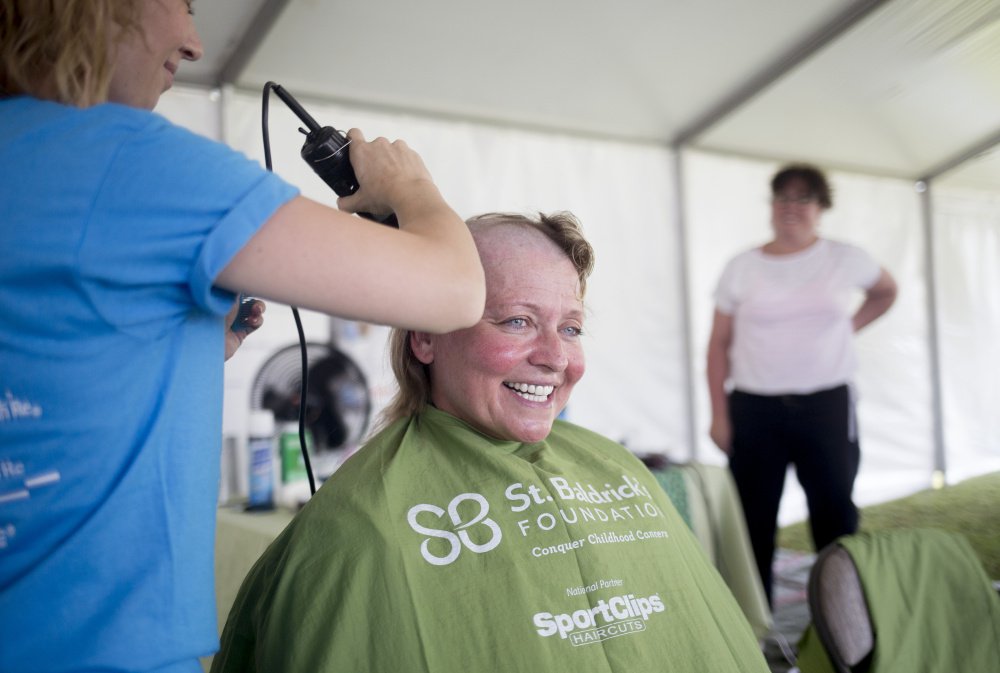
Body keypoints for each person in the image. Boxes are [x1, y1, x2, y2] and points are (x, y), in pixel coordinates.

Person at [0, 1, 485, 671]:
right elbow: (455, 290)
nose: (195, 43)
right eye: (182, 4)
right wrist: (410, 187)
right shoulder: (133, 162)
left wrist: (181, 352)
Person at [212, 212, 770, 672]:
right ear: (426, 336)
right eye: (517, 321)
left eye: (571, 328)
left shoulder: (615, 466)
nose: (556, 357)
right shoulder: (361, 522)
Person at [706, 163, 898, 604]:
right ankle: (753, 623)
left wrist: (848, 327)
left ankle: (844, 617)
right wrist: (718, 416)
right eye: (783, 197)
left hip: (827, 405)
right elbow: (718, 345)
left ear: (821, 207)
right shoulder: (742, 266)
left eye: (803, 198)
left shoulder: (845, 257)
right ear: (772, 204)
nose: (791, 207)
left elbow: (887, 291)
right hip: (754, 407)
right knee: (751, 520)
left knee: (835, 514)